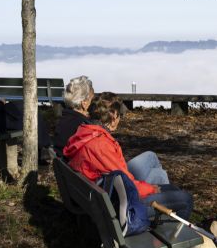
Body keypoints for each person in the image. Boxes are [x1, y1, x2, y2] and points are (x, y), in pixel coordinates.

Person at [63, 92, 193, 220]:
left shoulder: (84, 132)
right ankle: (169, 236)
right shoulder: (100, 145)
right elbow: (128, 188)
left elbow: (122, 178)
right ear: (113, 116)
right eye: (120, 115)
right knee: (185, 199)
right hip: (122, 209)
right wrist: (151, 189)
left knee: (170, 187)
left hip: (104, 197)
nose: (119, 119)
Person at [53, 75, 94, 154]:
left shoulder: (64, 118)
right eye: (91, 99)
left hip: (61, 162)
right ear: (84, 103)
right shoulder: (83, 125)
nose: (92, 103)